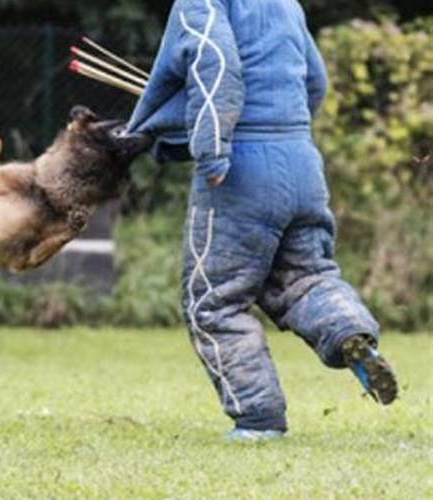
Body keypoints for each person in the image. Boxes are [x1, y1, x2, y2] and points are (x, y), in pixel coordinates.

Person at [126, 0, 397, 441]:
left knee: (213, 302)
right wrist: (287, 135)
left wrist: (212, 144)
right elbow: (316, 81)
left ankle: (258, 417)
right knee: (306, 278)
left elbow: (215, 62)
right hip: (301, 159)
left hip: (242, 167)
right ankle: (350, 331)